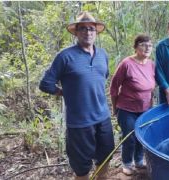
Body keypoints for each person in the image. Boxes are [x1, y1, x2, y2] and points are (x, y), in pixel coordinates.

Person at [39, 12, 114, 180]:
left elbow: (102, 77)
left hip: (103, 117)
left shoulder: (103, 55)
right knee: (81, 166)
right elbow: (45, 84)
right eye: (82, 29)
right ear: (76, 32)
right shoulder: (65, 56)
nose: (87, 32)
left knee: (106, 156)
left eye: (91, 29)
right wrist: (63, 92)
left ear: (96, 32)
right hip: (79, 122)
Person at [110, 34, 155, 176]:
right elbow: (114, 86)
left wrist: (151, 106)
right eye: (143, 44)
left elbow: (152, 88)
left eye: (149, 45)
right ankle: (127, 163)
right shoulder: (127, 64)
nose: (147, 47)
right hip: (126, 109)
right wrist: (114, 106)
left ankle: (139, 160)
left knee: (141, 136)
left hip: (145, 109)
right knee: (129, 137)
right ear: (135, 47)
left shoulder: (151, 65)